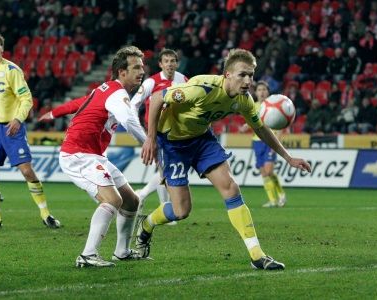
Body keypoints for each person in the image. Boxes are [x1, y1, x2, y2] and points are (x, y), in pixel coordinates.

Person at [137, 49, 312, 270]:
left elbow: (261, 128)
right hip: (173, 143)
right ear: (227, 74)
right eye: (242, 75)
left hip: (202, 141)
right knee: (181, 211)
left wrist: (288, 157)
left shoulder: (244, 100)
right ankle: (147, 223)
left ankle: (257, 255)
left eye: (251, 75)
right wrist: (151, 138)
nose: (248, 80)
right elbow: (156, 98)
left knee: (231, 188)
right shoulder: (201, 87)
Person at [39, 46, 148, 268]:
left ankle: (122, 251)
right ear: (121, 72)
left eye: (143, 67)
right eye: (136, 67)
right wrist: (149, 143)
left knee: (132, 200)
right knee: (113, 200)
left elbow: (79, 103)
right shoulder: (117, 93)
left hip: (94, 156)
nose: (141, 72)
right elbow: (128, 121)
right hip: (78, 155)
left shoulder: (104, 90)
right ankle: (87, 255)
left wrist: (55, 112)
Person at [0, 32, 60, 229]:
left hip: (12, 128)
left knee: (27, 171)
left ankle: (45, 214)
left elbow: (26, 99)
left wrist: (17, 119)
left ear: (2, 48)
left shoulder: (12, 70)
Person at [131, 48, 187, 215]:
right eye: (166, 61)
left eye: (172, 61)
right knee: (164, 170)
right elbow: (133, 104)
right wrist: (139, 129)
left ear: (177, 63)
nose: (170, 64)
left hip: (177, 132)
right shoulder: (151, 82)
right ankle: (164, 207)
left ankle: (141, 194)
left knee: (166, 170)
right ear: (161, 64)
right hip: (157, 133)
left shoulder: (183, 80)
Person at [250, 81, 287, 208]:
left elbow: (281, 125)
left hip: (270, 141)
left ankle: (281, 194)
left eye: (264, 89)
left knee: (269, 171)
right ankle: (273, 200)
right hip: (257, 142)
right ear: (255, 92)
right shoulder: (252, 106)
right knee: (264, 173)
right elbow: (252, 121)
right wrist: (245, 125)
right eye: (259, 90)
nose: (261, 92)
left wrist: (277, 141)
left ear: (268, 92)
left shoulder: (273, 105)